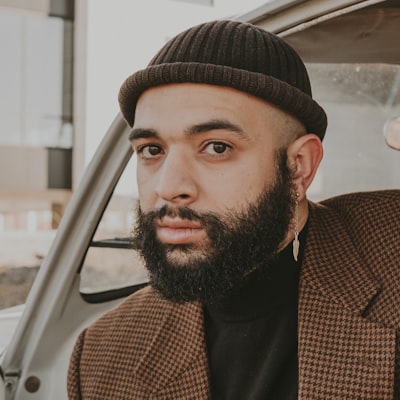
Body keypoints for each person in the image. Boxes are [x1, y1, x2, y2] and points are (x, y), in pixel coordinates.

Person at [67, 20, 400, 399]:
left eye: (217, 147)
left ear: (299, 167)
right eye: (151, 150)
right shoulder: (103, 356)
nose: (168, 187)